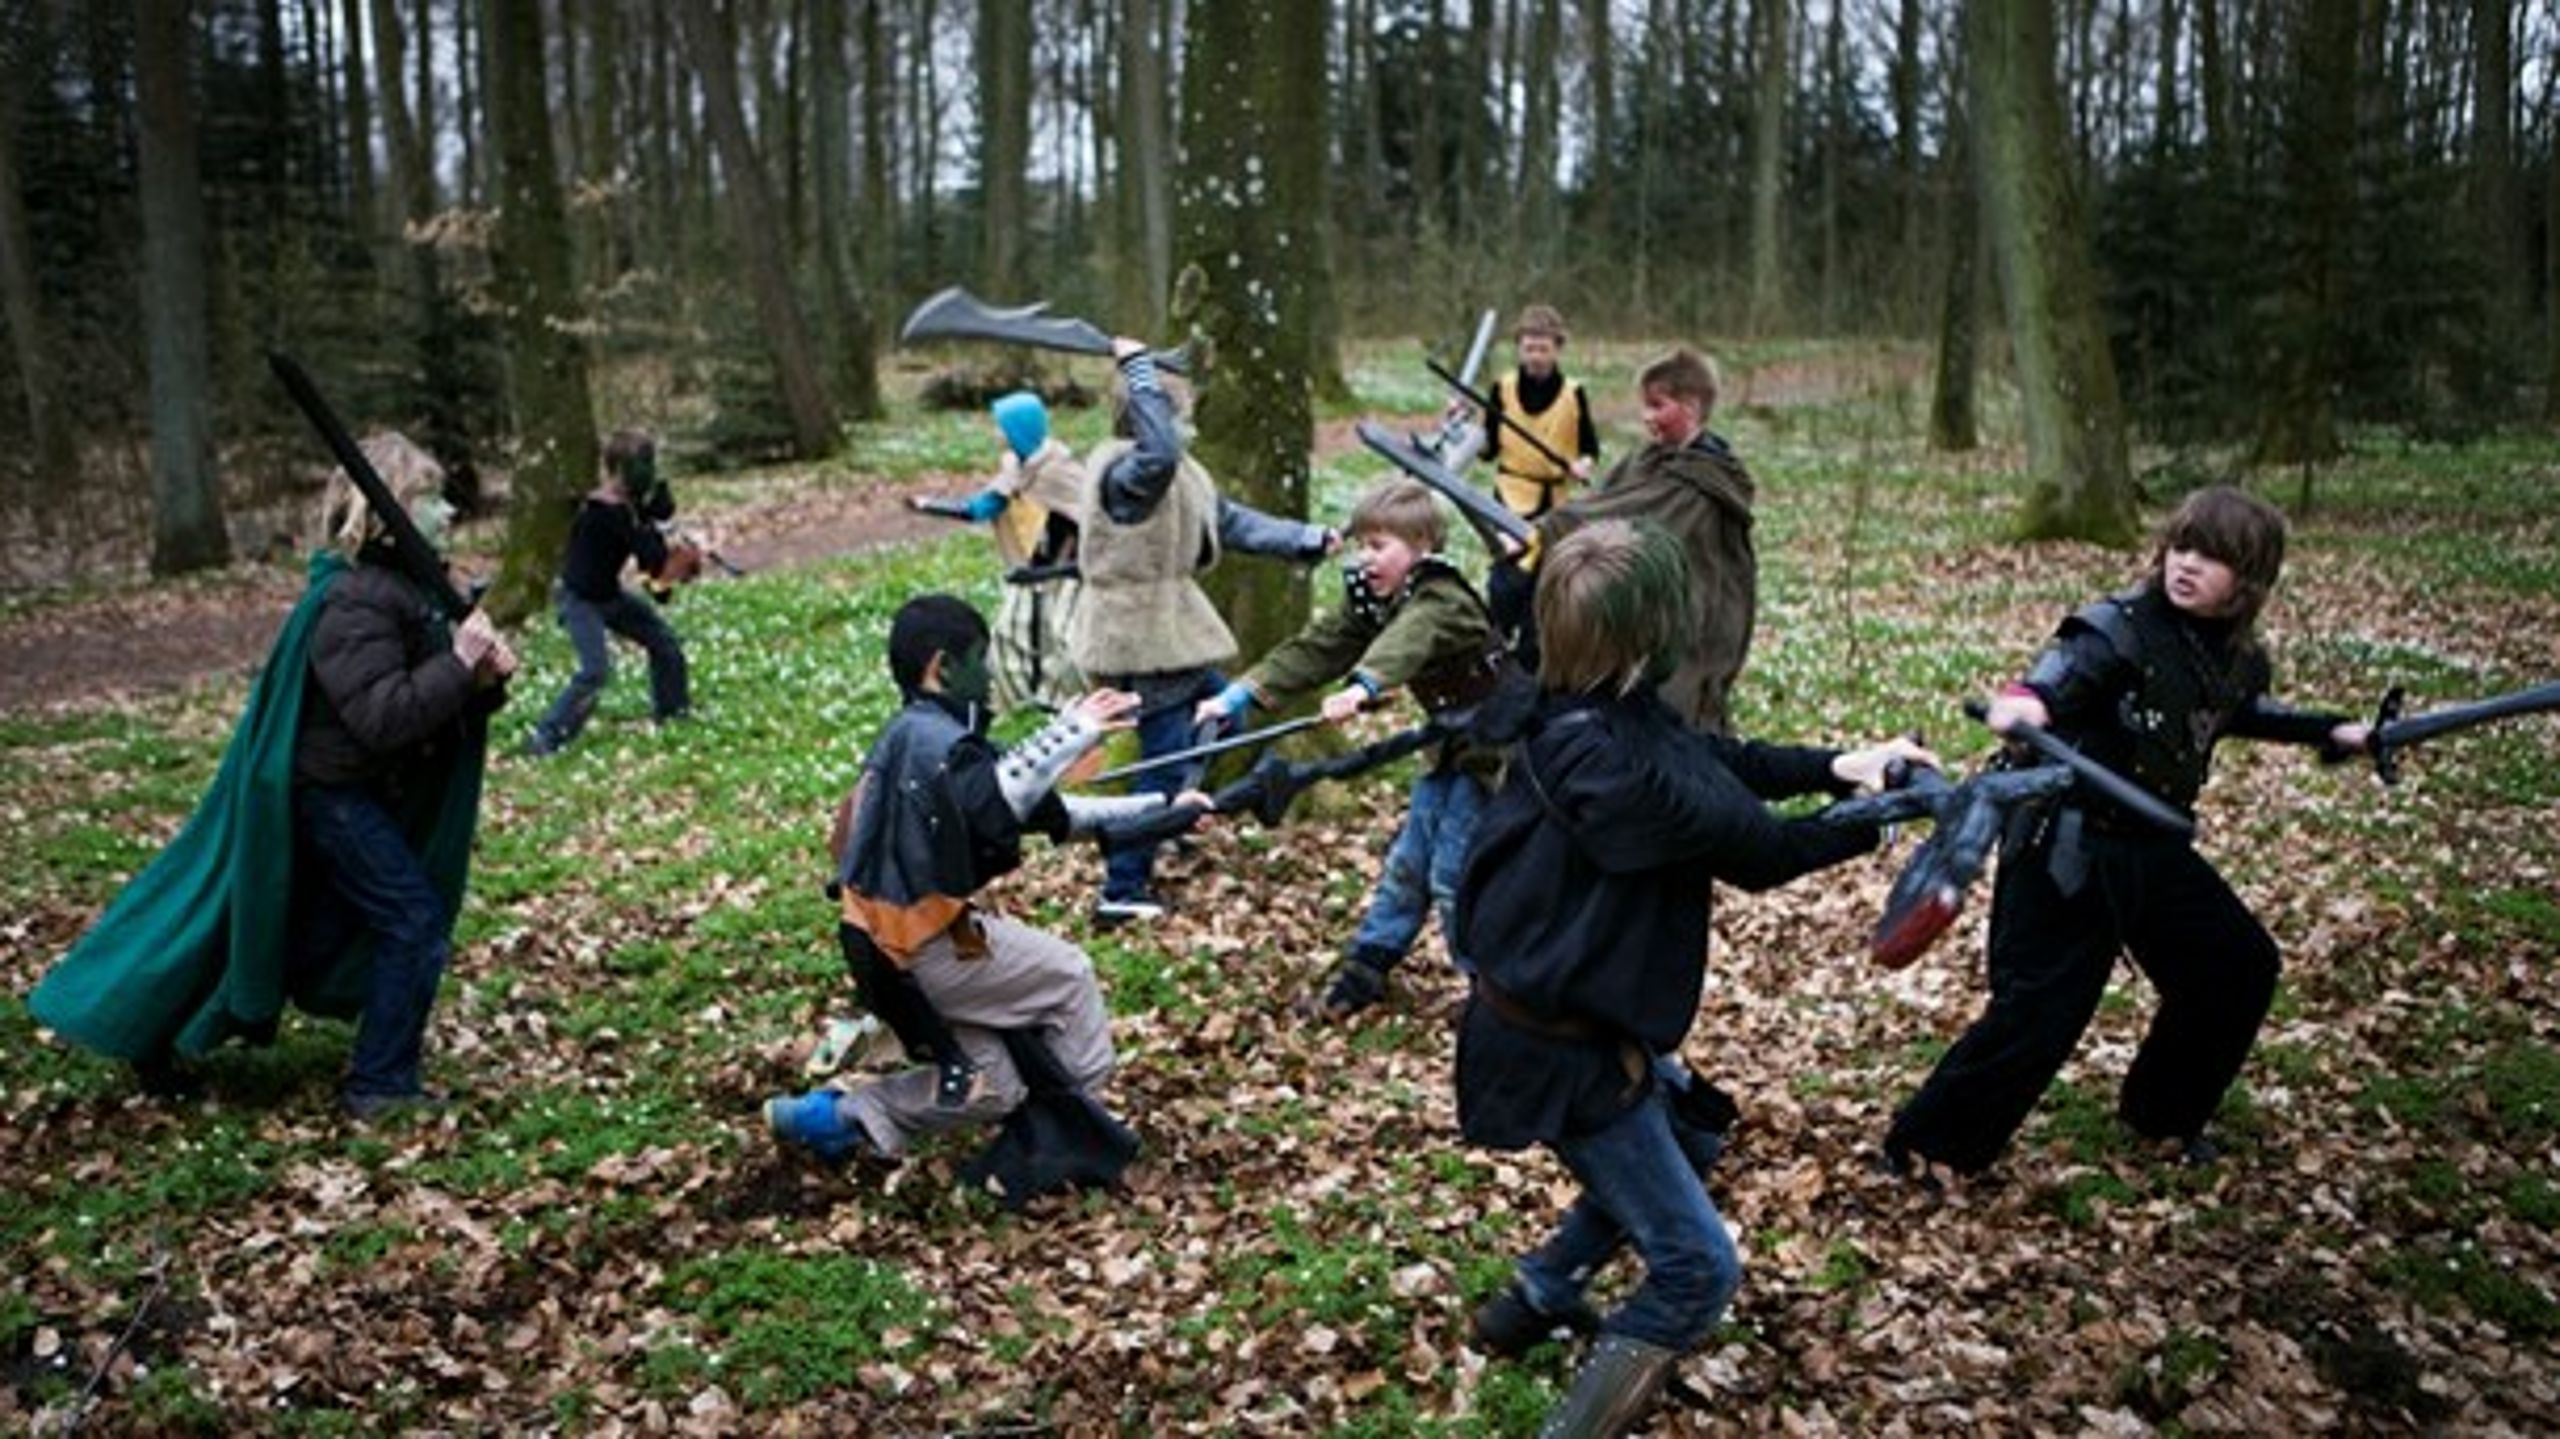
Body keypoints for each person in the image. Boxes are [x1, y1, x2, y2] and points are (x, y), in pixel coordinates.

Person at [1452, 520, 1931, 1436]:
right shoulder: (1613, 767)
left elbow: (1711, 760)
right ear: (1649, 631)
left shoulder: (1585, 705)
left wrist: (1840, 766)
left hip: (1575, 1026)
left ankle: (1538, 1293)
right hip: (1557, 1052)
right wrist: (1885, 812)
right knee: (1698, 1268)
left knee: (1696, 1137)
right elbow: (1761, 848)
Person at [1882, 486, 2370, 1179]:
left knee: (2234, 966)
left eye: (2213, 556)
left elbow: (2238, 710)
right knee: (2042, 1009)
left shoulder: (2232, 654)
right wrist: (2026, 703)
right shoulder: (2116, 627)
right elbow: (2060, 676)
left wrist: (2329, 730)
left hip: (2151, 844)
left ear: (2250, 579)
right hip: (2066, 843)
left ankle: (2162, 1113)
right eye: (2183, 546)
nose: (2188, 564)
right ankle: (1926, 1146)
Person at [29, 433, 517, 1118]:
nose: (447, 511)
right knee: (412, 920)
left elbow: (432, 702)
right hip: (330, 794)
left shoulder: (410, 587)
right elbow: (382, 715)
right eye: (430, 498)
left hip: (358, 789)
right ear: (386, 511)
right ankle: (380, 1085)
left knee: (299, 934)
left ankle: (161, 1024)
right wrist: (459, 663)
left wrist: (483, 679)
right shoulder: (357, 600)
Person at [767, 594, 1206, 1182]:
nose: (990, 672)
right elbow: (1001, 797)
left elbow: (1047, 813)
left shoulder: (918, 737)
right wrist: (1071, 732)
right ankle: (1063, 1130)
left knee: (992, 1084)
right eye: (981, 657)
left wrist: (1162, 809)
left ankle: (835, 1116)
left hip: (886, 950)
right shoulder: (933, 743)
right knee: (1069, 976)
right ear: (943, 667)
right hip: (916, 949)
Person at [1192, 478, 1508, 1020]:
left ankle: (1492, 992)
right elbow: (1322, 646)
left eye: (1379, 545)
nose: (1367, 558)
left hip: (1497, 755)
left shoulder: (1442, 596)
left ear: (1423, 546)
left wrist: (1365, 686)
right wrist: (1243, 692)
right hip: (1447, 750)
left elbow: (1409, 640)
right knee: (1407, 864)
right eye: (1362, 544)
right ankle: (1368, 963)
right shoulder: (1380, 596)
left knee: (1454, 874)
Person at [1069, 338, 1336, 924]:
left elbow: (1233, 521)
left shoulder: (1180, 472)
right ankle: (1123, 886)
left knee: (1224, 714)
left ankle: (1174, 814)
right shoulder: (1130, 472)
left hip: (1175, 635)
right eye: (1172, 405)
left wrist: (1306, 539)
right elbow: (1158, 455)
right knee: (1160, 765)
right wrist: (1139, 369)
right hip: (1140, 639)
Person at [1502, 346, 1756, 736]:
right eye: (1645, 406)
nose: (1646, 417)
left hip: (1689, 618)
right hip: (1642, 612)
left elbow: (1626, 521)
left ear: (1690, 406)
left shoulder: (1702, 483)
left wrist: (1555, 526)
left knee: (1679, 716)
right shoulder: (1646, 460)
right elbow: (1605, 501)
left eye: (1658, 406)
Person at [913, 390, 1089, 714]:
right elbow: (982, 507)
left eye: (1003, 428)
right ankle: (1019, 699)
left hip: (1067, 577)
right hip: (1027, 574)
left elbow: (1092, 521)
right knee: (1011, 636)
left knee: (1066, 640)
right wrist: (931, 506)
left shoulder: (1061, 473)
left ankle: (1072, 701)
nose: (998, 436)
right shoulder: (1013, 473)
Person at [524, 430, 691, 756]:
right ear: (617, 469)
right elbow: (649, 555)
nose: (648, 473)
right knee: (594, 671)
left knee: (665, 644)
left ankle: (674, 714)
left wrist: (659, 523)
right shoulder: (603, 512)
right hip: (579, 600)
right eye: (640, 465)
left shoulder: (626, 509)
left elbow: (654, 578)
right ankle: (547, 736)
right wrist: (660, 531)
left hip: (608, 596)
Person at [1471, 303, 1600, 522]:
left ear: (1557, 350)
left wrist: (1582, 465)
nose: (1536, 357)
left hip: (1556, 503)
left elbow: (1590, 449)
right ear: (1519, 349)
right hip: (1510, 497)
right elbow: (1487, 451)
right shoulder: (1503, 388)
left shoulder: (1574, 393)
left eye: (1543, 349)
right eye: (1529, 349)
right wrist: (1468, 431)